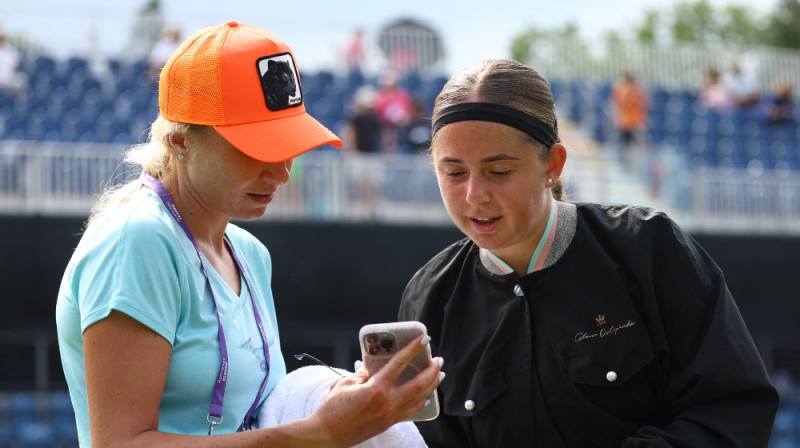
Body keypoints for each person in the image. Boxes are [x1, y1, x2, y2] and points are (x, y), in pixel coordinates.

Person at [56, 21, 443, 448]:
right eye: (256, 148)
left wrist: (344, 406)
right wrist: (318, 434)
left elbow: (253, 418)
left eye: (287, 147)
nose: (281, 172)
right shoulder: (137, 240)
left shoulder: (248, 252)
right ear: (179, 141)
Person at [398, 58, 778, 447]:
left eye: (498, 171)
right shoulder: (429, 296)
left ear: (553, 164)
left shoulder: (648, 249)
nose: (474, 195)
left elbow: (732, 410)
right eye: (454, 173)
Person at [609, 69, 650, 159]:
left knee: (633, 146)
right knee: (627, 146)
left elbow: (645, 102)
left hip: (634, 122)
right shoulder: (624, 89)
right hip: (627, 122)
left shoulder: (635, 90)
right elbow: (618, 103)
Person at [0, 29, 27, 100]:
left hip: (8, 80)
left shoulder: (11, 51)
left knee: (22, 78)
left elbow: (16, 66)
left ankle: (19, 105)